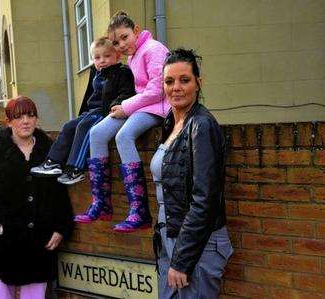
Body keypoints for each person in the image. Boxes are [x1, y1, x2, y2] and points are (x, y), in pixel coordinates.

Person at [0, 96, 73, 299]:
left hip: (39, 244)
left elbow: (60, 192)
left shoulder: (50, 150)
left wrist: (61, 228)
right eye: (19, 116)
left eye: (30, 115)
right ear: (9, 121)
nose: (25, 121)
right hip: (3, 245)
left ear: (36, 119)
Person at [74, 11, 170, 232]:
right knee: (96, 133)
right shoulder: (133, 55)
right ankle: (101, 203)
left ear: (136, 31)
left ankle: (139, 211)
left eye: (125, 37)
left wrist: (126, 106)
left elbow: (157, 90)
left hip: (157, 108)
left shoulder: (153, 49)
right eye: (116, 42)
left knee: (123, 136)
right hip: (138, 107)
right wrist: (126, 106)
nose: (121, 44)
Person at [151, 48, 233, 298]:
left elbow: (204, 199)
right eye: (169, 81)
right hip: (171, 237)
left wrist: (182, 260)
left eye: (184, 80)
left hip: (198, 244)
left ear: (198, 83)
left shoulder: (201, 126)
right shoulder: (171, 123)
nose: (176, 87)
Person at [30, 37, 135, 185]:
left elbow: (127, 92)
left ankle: (75, 168)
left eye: (107, 56)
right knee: (69, 126)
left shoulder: (121, 72)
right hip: (91, 111)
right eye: (97, 58)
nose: (102, 60)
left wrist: (117, 104)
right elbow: (89, 96)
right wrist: (81, 114)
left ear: (117, 56)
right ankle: (53, 161)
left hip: (105, 111)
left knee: (84, 127)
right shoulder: (97, 74)